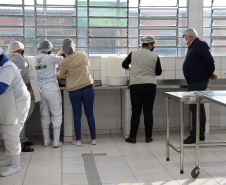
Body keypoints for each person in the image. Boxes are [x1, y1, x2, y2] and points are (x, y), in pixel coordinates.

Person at [122, 36, 162, 144]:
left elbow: (124, 64)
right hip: (150, 85)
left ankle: (133, 137)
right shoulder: (155, 56)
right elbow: (158, 72)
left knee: (135, 112)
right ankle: (148, 137)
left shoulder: (133, 53)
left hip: (136, 85)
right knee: (148, 111)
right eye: (153, 44)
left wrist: (131, 68)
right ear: (150, 45)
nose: (154, 46)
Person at [56, 38, 96, 146]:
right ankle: (93, 139)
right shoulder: (82, 55)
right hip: (88, 87)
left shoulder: (65, 61)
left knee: (77, 115)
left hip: (74, 90)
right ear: (74, 46)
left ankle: (78, 140)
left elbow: (59, 76)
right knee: (90, 114)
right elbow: (87, 66)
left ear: (63, 49)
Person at [182, 28, 216, 144]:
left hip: (198, 81)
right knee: (197, 108)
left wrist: (208, 74)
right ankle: (199, 134)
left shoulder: (200, 44)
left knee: (196, 108)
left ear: (190, 35)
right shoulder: (193, 46)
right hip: (194, 81)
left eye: (184, 36)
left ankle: (195, 135)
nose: (183, 38)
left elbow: (210, 61)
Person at [0, 50, 30, 176]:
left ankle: (15, 165)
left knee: (11, 133)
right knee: (6, 132)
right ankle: (9, 158)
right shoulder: (2, 66)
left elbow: (1, 88)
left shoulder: (8, 68)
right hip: (9, 104)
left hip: (17, 104)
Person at [8, 41, 40, 152]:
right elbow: (24, 78)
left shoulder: (17, 59)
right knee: (21, 118)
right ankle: (20, 143)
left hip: (24, 92)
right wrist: (30, 90)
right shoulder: (19, 59)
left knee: (23, 118)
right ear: (20, 49)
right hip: (25, 93)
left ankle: (23, 139)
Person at [34, 40, 63, 148]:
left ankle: (46, 141)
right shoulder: (51, 58)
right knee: (56, 114)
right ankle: (56, 141)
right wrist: (61, 52)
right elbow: (62, 60)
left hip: (41, 90)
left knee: (44, 115)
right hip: (51, 89)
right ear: (49, 48)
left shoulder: (35, 59)